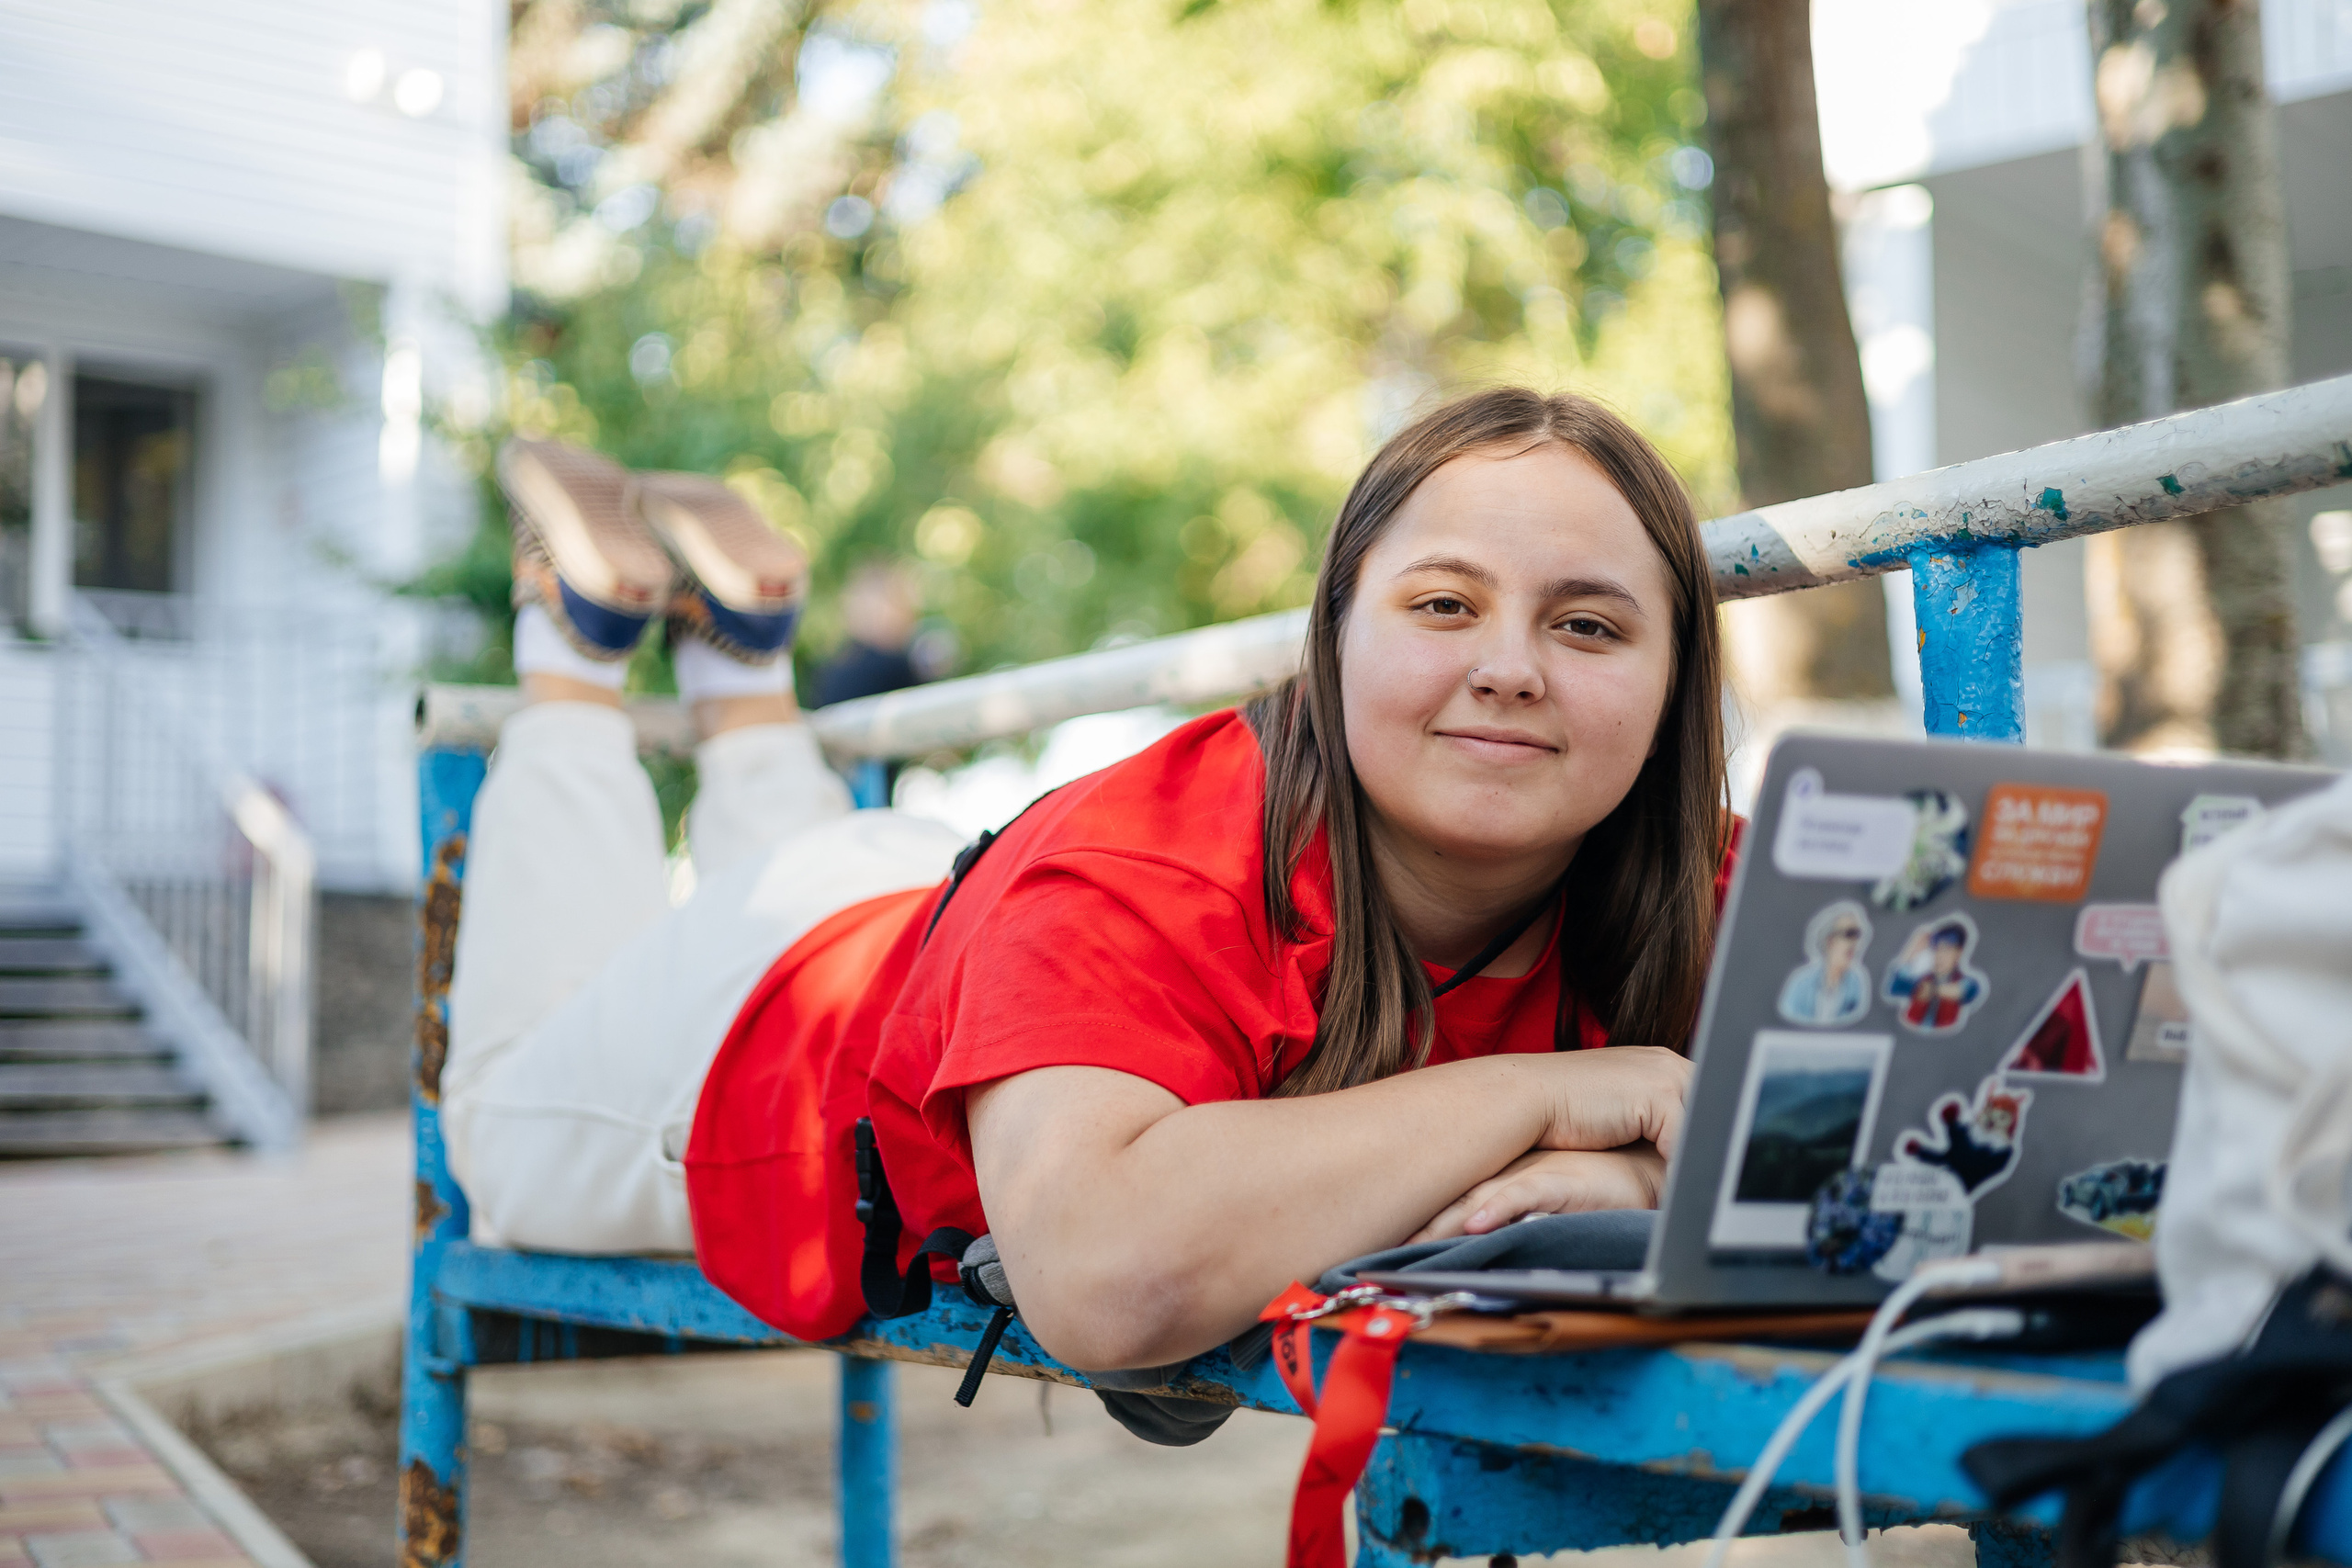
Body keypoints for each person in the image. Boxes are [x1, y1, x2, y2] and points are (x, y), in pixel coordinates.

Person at [442, 389, 1735, 1399]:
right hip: (772, 1031)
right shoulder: (1166, 852)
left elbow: (1906, 1141)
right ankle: (578, 649)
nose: (1511, 666)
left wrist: (1635, 1183)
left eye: (1589, 626)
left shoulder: (1716, 872)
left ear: (1678, 675)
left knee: (807, 870)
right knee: (496, 1134)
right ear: (1331, 635)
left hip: (943, 912)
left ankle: (744, 672)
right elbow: (1099, 1273)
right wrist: (1552, 1096)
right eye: (1445, 602)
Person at [1777, 901, 1871, 1027]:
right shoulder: (1801, 981)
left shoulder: (1856, 983)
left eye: (1857, 935)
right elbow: (1785, 1022)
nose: (1855, 943)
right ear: (1829, 941)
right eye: (1849, 934)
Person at [1883, 919, 1982, 1032]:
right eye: (1936, 949)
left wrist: (1932, 990)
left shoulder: (1965, 981)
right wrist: (1911, 953)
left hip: (1947, 1040)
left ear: (1959, 953)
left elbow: (1965, 991)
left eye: (1946, 950)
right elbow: (1893, 989)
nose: (1939, 956)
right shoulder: (1920, 979)